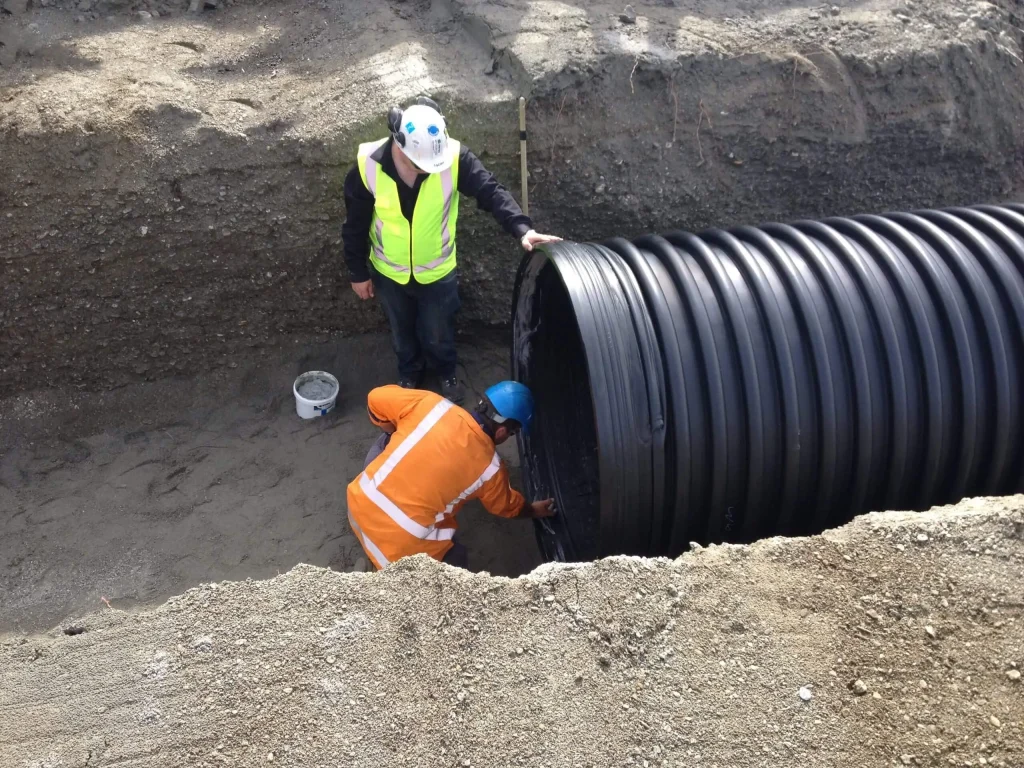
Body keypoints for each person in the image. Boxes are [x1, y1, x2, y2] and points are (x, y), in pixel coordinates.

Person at [341, 96, 561, 403]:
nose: (427, 171)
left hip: (438, 271)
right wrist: (357, 271)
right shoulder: (369, 165)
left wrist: (522, 229)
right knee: (401, 332)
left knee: (439, 332)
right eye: (419, 165)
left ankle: (446, 372)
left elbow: (490, 191)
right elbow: (354, 223)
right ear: (399, 145)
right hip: (389, 272)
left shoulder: (454, 158)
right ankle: (409, 373)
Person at [345, 380, 555, 570]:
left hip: (358, 505)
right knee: (455, 560)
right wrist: (534, 510)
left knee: (388, 440)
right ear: (502, 432)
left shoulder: (431, 404)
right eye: (512, 432)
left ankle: (372, 556)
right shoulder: (491, 468)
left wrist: (393, 431)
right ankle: (386, 575)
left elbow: (375, 398)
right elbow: (506, 506)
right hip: (399, 549)